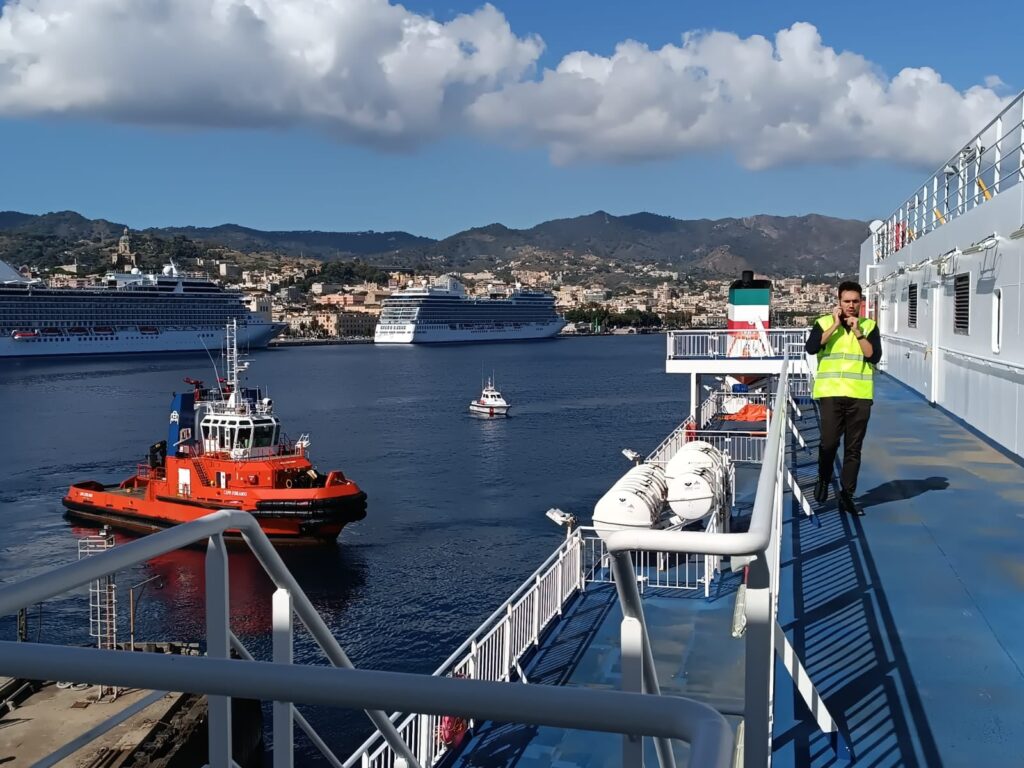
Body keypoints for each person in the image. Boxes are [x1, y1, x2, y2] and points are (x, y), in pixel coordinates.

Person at [804, 281, 882, 516]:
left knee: (853, 449)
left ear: (861, 303)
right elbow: (812, 347)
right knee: (828, 443)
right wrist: (836, 325)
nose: (851, 305)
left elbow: (873, 356)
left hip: (859, 396)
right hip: (830, 393)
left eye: (855, 301)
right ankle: (824, 477)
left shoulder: (869, 326)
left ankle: (847, 496)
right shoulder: (824, 323)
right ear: (839, 302)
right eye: (846, 301)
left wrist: (858, 332)